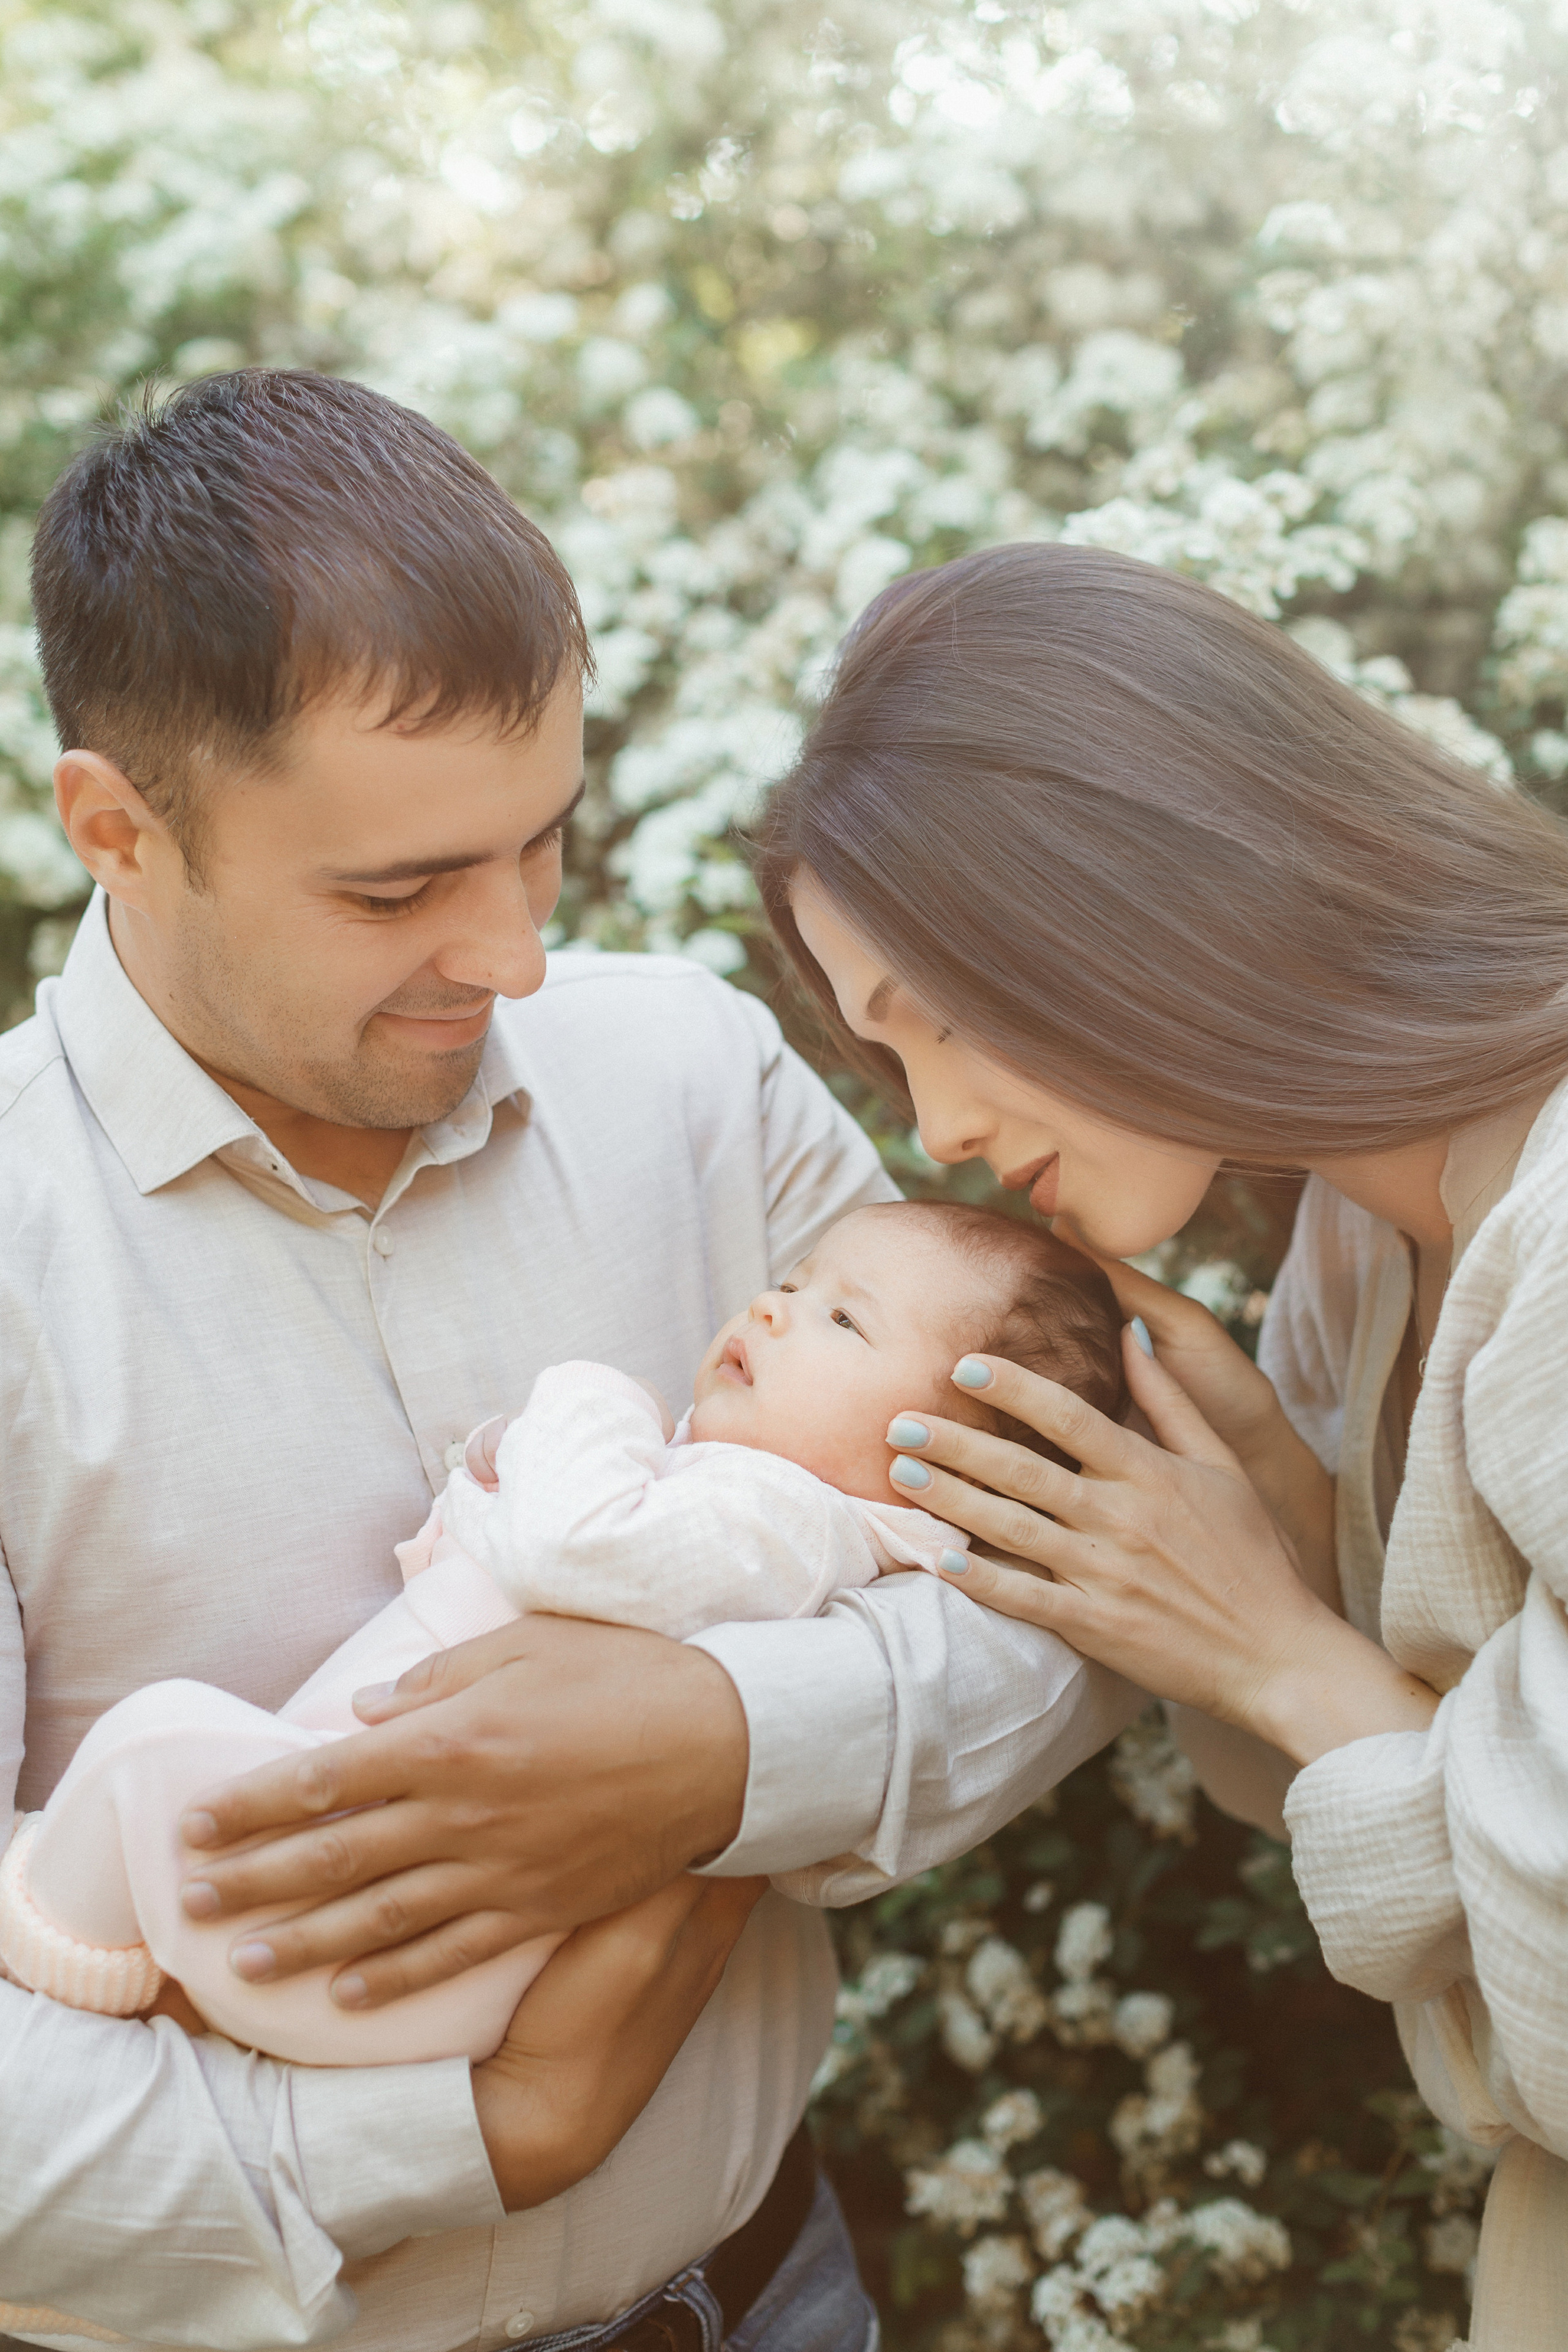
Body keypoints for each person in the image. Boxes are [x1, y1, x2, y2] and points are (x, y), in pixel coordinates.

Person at [0, 374, 1138, 2352]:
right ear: (116, 826)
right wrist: (471, 2133)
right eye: (397, 890)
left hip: (765, 2299)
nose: (517, 953)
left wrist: (725, 1747)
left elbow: (1080, 1580)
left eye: (542, 843)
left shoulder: (690, 1075)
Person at [748, 540, 1568, 2351]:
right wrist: (1275, 1528)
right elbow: (1394, 1789)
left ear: (1138, 886)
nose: (947, 1130)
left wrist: (1279, 1648)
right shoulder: (1360, 1244)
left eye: (939, 1023)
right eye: (893, 1071)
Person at [1, 1205, 1126, 2070]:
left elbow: (568, 1546)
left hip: (382, 1936)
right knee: (163, 1777)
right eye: (790, 1282)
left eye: (844, 1319)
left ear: (946, 1468)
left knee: (150, 1743)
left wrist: (588, 1398)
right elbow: (534, 1546)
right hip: (370, 1899)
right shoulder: (730, 1499)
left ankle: (66, 1969)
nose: (773, 1309)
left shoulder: (787, 1520)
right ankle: (111, 1963)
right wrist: (514, 1462)